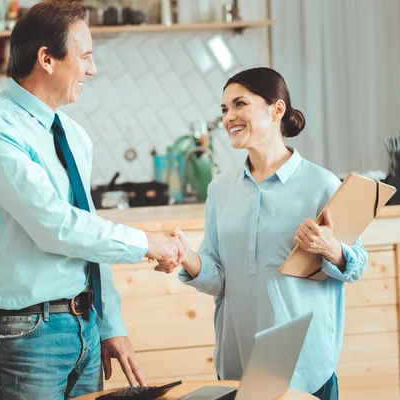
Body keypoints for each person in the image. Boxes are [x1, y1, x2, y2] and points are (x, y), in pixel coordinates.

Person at [0, 1, 182, 399]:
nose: (92, 70)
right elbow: (55, 226)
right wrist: (147, 243)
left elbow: (85, 233)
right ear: (46, 58)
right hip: (25, 332)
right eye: (86, 57)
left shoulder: (74, 135)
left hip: (85, 326)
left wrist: (110, 324)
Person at [155, 67, 368, 400]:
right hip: (238, 363)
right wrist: (186, 255)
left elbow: (357, 264)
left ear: (277, 109)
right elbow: (218, 280)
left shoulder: (322, 184)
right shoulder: (219, 190)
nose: (229, 117)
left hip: (307, 366)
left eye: (240, 104)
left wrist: (332, 248)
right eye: (225, 109)